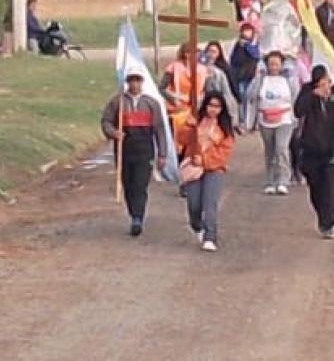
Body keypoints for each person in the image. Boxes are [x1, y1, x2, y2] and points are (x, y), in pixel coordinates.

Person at [100, 67, 168, 237]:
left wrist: (162, 153)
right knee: (128, 184)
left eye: (137, 80)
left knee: (140, 184)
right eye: (131, 80)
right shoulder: (118, 102)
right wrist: (113, 132)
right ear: (127, 82)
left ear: (142, 82)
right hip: (124, 150)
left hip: (145, 150)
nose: (135, 83)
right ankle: (133, 213)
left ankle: (138, 217)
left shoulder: (152, 103)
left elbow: (160, 129)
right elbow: (106, 121)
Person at [294, 65, 334, 239]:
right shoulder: (308, 91)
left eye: (326, 82)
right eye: (320, 83)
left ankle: (329, 222)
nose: (324, 86)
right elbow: (298, 111)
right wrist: (313, 95)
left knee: (332, 186)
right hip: (311, 148)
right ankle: (322, 215)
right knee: (316, 187)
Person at [177, 92, 235, 252]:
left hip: (214, 169)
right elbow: (182, 140)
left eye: (217, 106)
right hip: (194, 169)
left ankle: (210, 236)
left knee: (210, 203)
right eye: (211, 105)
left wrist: (204, 160)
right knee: (194, 205)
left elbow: (224, 152)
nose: (213, 110)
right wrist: (188, 126)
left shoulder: (224, 128)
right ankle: (198, 226)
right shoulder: (197, 122)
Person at [244, 51, 300, 195]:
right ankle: (271, 180)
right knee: (270, 150)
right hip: (265, 120)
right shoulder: (262, 79)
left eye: (276, 64)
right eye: (271, 64)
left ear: (282, 65)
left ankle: (283, 180)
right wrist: (257, 78)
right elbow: (249, 95)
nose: (273, 67)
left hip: (285, 119)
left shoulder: (289, 80)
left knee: (281, 148)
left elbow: (296, 97)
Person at [160, 42, 208, 138]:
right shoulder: (173, 68)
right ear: (186, 54)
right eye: (194, 52)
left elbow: (206, 90)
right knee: (177, 136)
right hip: (177, 108)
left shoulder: (203, 70)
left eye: (198, 52)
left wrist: (201, 101)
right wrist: (174, 100)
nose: (197, 55)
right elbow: (161, 88)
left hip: (196, 107)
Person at [202, 42, 240, 128]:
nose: (211, 54)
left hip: (219, 101)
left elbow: (228, 89)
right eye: (209, 51)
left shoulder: (223, 69)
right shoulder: (200, 67)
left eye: (214, 52)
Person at [229, 23, 261, 123]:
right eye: (244, 30)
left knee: (252, 98)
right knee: (242, 97)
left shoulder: (254, 44)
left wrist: (247, 46)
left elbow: (256, 55)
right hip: (240, 76)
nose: (246, 33)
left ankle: (252, 121)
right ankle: (242, 120)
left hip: (251, 76)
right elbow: (233, 59)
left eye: (249, 31)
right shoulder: (238, 45)